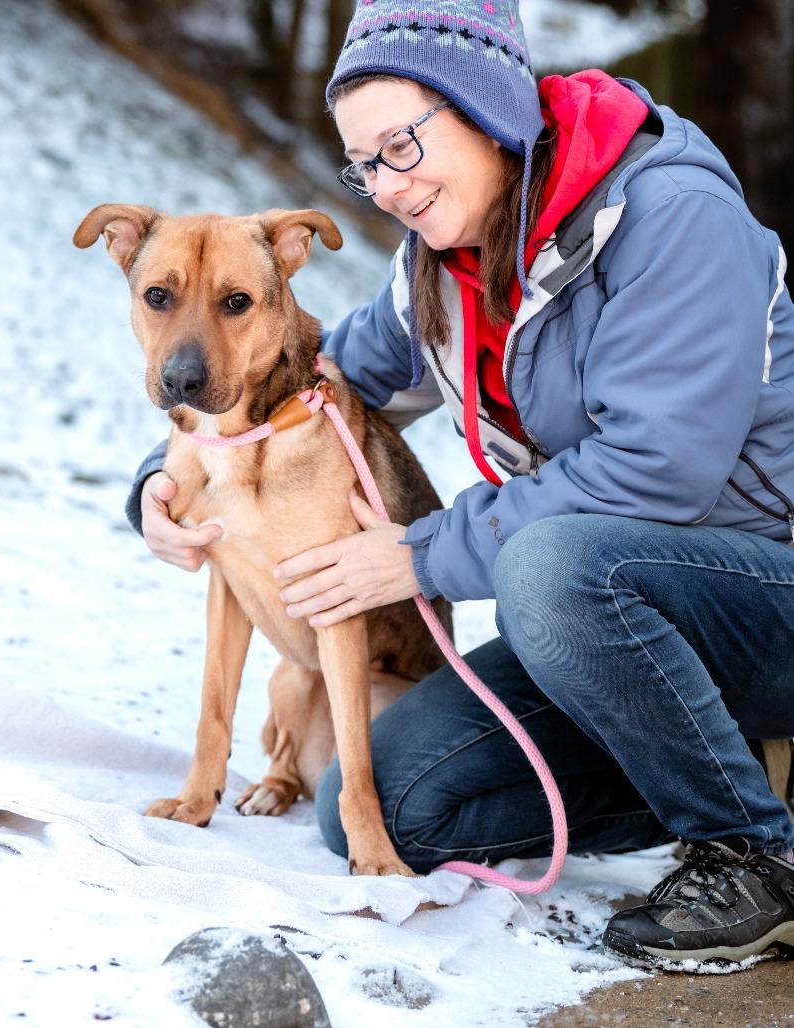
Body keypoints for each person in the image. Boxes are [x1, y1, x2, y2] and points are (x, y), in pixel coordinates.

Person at [128, 0, 794, 971]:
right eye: (363, 164)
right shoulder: (438, 265)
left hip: (760, 592)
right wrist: (165, 477)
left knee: (549, 568)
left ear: (488, 109)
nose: (386, 187)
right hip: (622, 627)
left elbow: (660, 471)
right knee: (390, 801)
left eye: (401, 146)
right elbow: (311, 374)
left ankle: (752, 853)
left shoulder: (668, 217)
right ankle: (738, 762)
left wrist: (418, 553)